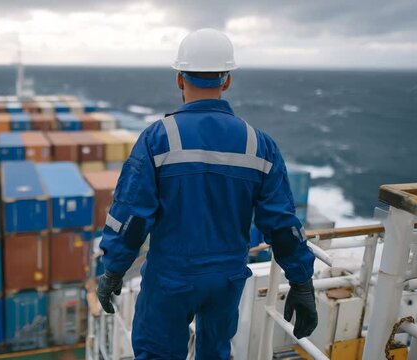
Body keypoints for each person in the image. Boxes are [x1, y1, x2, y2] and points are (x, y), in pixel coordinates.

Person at [96, 28, 318, 359]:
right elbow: (281, 223)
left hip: (170, 276)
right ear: (226, 80)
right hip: (226, 277)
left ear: (179, 79)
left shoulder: (158, 138)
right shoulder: (259, 144)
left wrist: (113, 269)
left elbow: (131, 216)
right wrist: (301, 282)